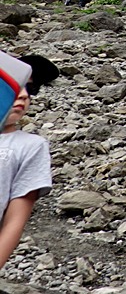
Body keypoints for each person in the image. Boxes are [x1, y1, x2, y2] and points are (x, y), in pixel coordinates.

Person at [0, 55, 58, 270]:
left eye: (30, 89)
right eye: (13, 85)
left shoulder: (30, 146)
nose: (23, 94)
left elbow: (15, 221)